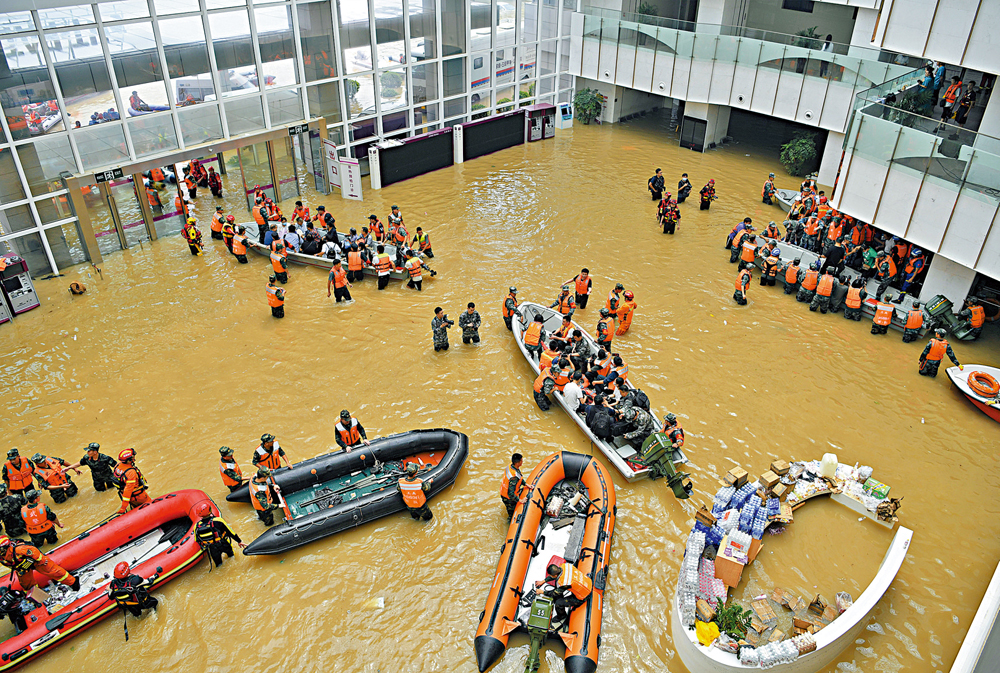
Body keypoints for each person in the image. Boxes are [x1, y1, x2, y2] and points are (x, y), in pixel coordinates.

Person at [0, 536, 79, 592]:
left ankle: (73, 582)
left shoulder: (19, 549)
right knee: (26, 583)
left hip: (36, 562)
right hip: (22, 567)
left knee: (53, 571)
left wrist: (42, 561)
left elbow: (35, 552)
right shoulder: (2, 555)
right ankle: (35, 594)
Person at [194, 503, 245, 567]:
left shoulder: (196, 526)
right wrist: (239, 541)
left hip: (212, 548)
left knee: (218, 565)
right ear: (209, 511)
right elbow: (230, 532)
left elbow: (197, 539)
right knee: (231, 557)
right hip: (223, 543)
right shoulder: (218, 520)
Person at [114, 448, 150, 514]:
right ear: (129, 460)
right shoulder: (131, 472)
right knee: (150, 507)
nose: (134, 458)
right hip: (138, 496)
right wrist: (123, 507)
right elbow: (128, 490)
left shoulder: (117, 466)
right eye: (133, 457)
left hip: (130, 497)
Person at [500, 453, 527, 518]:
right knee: (512, 515)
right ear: (517, 463)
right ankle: (509, 521)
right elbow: (511, 494)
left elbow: (519, 477)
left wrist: (526, 484)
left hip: (505, 492)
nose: (522, 462)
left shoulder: (511, 466)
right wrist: (520, 500)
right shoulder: (513, 477)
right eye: (521, 460)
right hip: (508, 498)